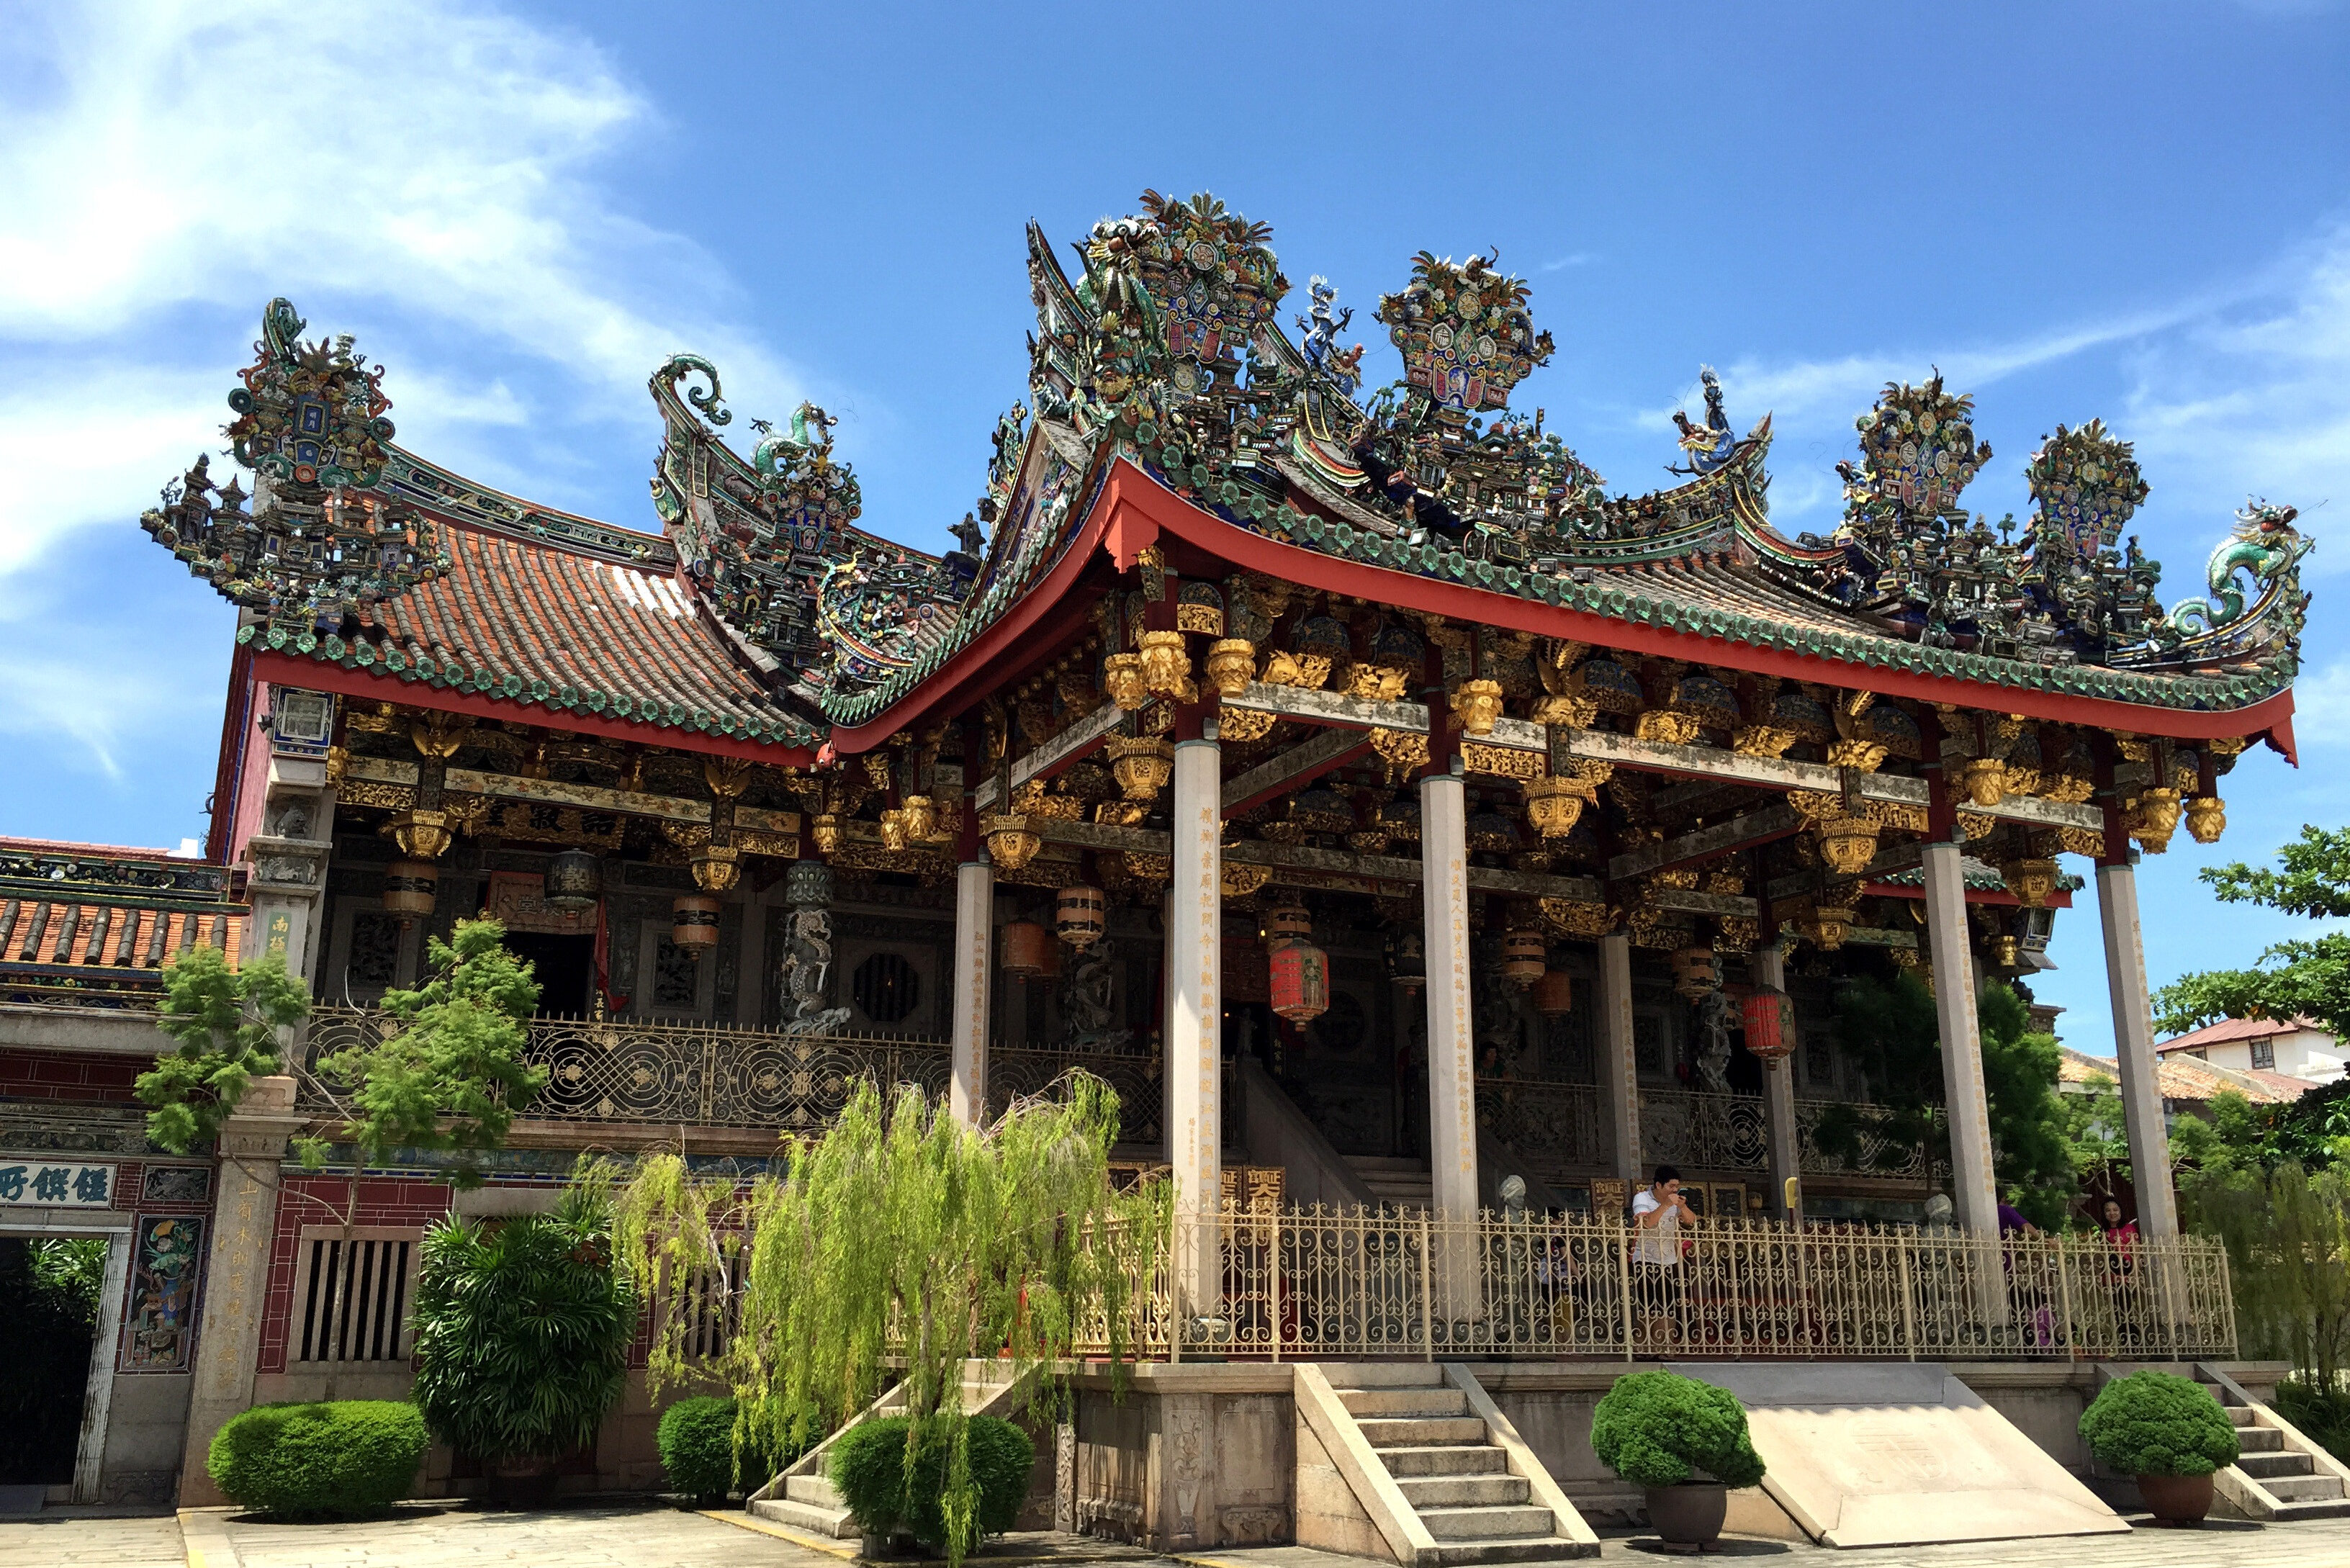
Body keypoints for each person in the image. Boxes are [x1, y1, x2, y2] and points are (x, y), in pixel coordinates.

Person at [1631, 1164, 1698, 1348]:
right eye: (1671, 1186)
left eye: (1677, 1186)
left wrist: (1682, 1207)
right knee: (1650, 1306)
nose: (1675, 1190)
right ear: (1659, 1185)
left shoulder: (1675, 1202)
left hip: (1669, 1260)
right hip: (1646, 1259)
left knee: (1668, 1307)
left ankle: (1665, 1346)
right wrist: (1666, 1204)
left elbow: (1691, 1221)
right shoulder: (1642, 1198)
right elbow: (1647, 1223)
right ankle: (1644, 1347)